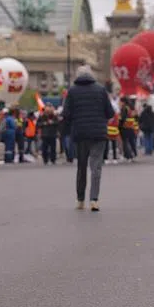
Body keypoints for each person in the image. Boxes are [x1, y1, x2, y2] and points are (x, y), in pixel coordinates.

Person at [60, 65, 115, 211]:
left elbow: (66, 114)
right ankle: (94, 200)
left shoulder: (72, 91)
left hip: (80, 133)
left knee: (81, 167)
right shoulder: (101, 90)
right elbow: (110, 113)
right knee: (96, 167)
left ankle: (80, 200)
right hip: (98, 133)